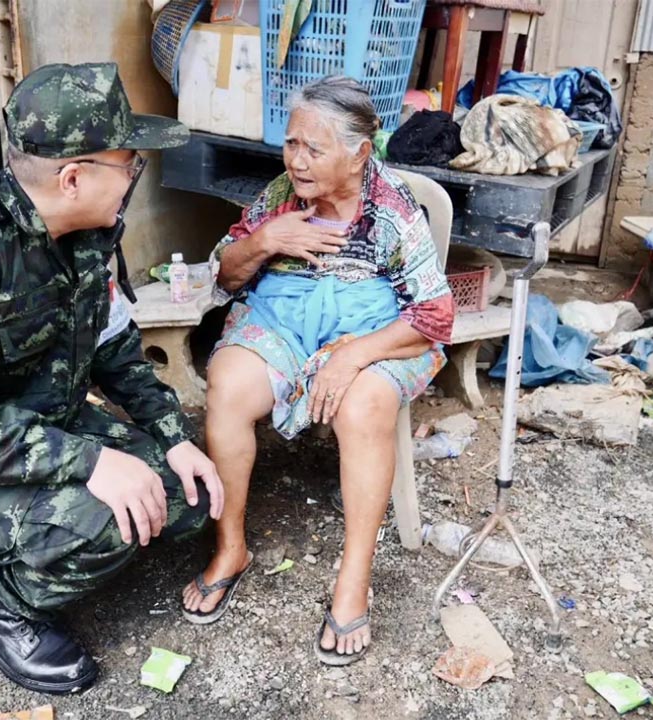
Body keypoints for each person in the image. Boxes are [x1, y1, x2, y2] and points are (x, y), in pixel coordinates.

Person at [0, 63, 224, 694]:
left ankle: (47, 533)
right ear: (73, 178)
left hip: (42, 420)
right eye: (128, 162)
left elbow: (113, 348)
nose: (135, 175)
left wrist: (173, 436)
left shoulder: (89, 235)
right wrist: (88, 462)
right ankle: (3, 613)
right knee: (107, 519)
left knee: (183, 495)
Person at [180, 76, 454, 665]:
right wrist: (264, 239)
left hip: (377, 333)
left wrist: (353, 355)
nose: (297, 161)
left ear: (359, 153)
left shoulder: (392, 212)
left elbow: (434, 317)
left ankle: (354, 579)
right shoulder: (280, 194)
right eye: (291, 144)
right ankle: (231, 549)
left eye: (314, 149)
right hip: (283, 323)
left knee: (364, 405)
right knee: (227, 383)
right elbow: (226, 279)